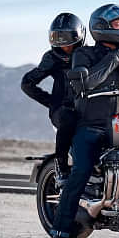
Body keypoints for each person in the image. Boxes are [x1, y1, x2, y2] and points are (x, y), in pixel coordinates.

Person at [50, 4, 119, 238]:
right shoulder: (83, 55)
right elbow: (88, 83)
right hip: (90, 127)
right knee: (80, 174)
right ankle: (60, 237)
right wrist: (113, 60)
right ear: (103, 28)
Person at [21, 13, 86, 186]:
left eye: (66, 38)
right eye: (58, 37)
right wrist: (51, 102)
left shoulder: (89, 55)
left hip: (87, 108)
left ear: (78, 36)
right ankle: (62, 167)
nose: (63, 44)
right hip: (62, 110)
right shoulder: (52, 58)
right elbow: (27, 83)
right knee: (67, 120)